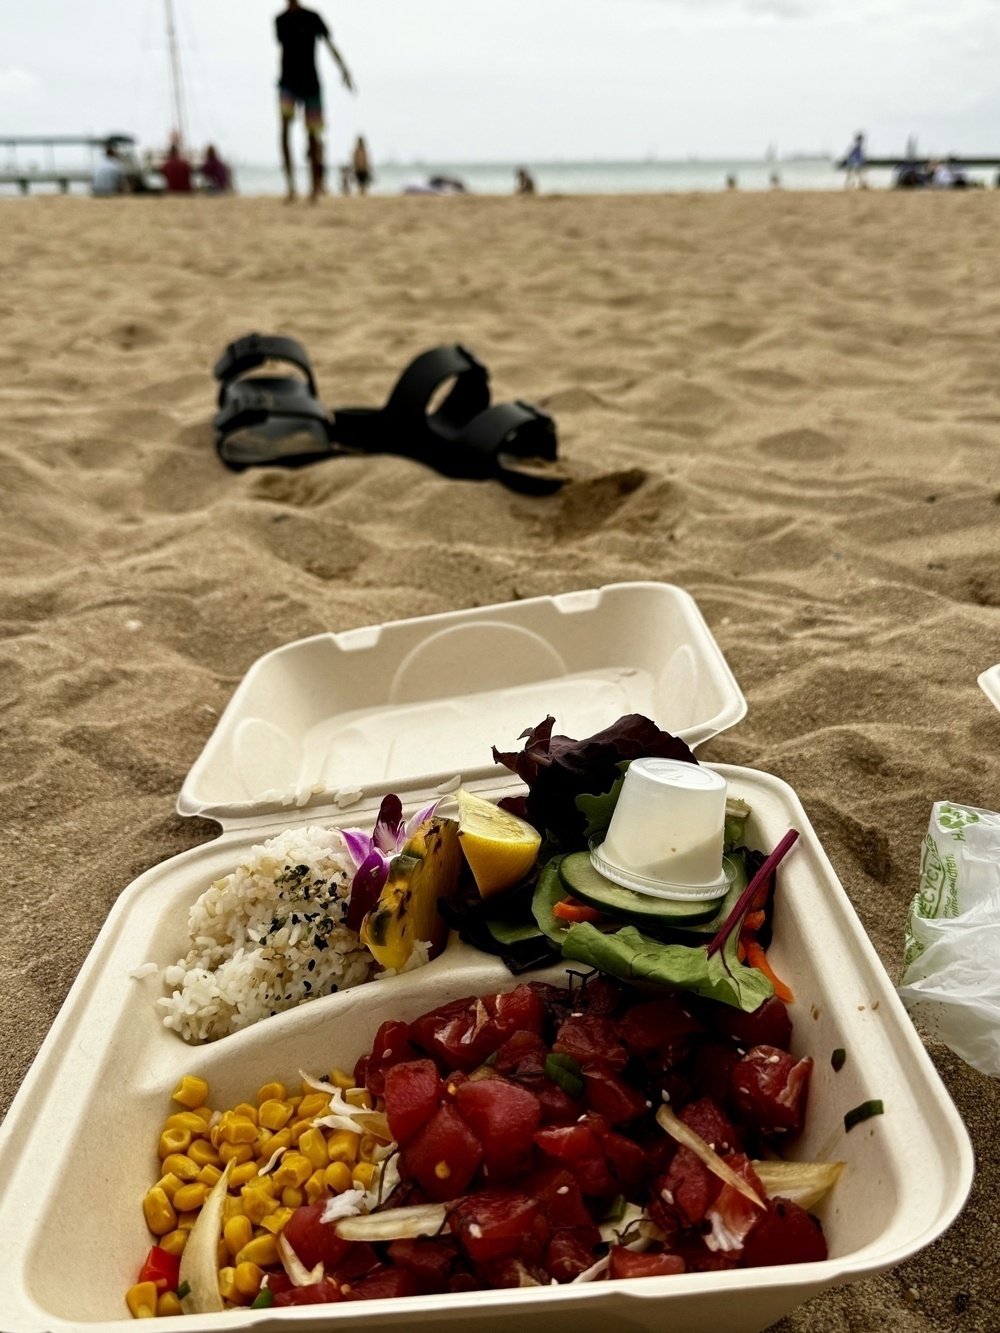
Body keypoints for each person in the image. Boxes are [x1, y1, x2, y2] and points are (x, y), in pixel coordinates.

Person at [275, 0, 354, 203]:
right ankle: (291, 187)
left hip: (311, 83)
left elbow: (329, 44)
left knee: (313, 136)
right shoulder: (280, 20)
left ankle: (314, 188)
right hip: (287, 82)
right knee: (285, 131)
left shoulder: (312, 17)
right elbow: (282, 51)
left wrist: (344, 69)